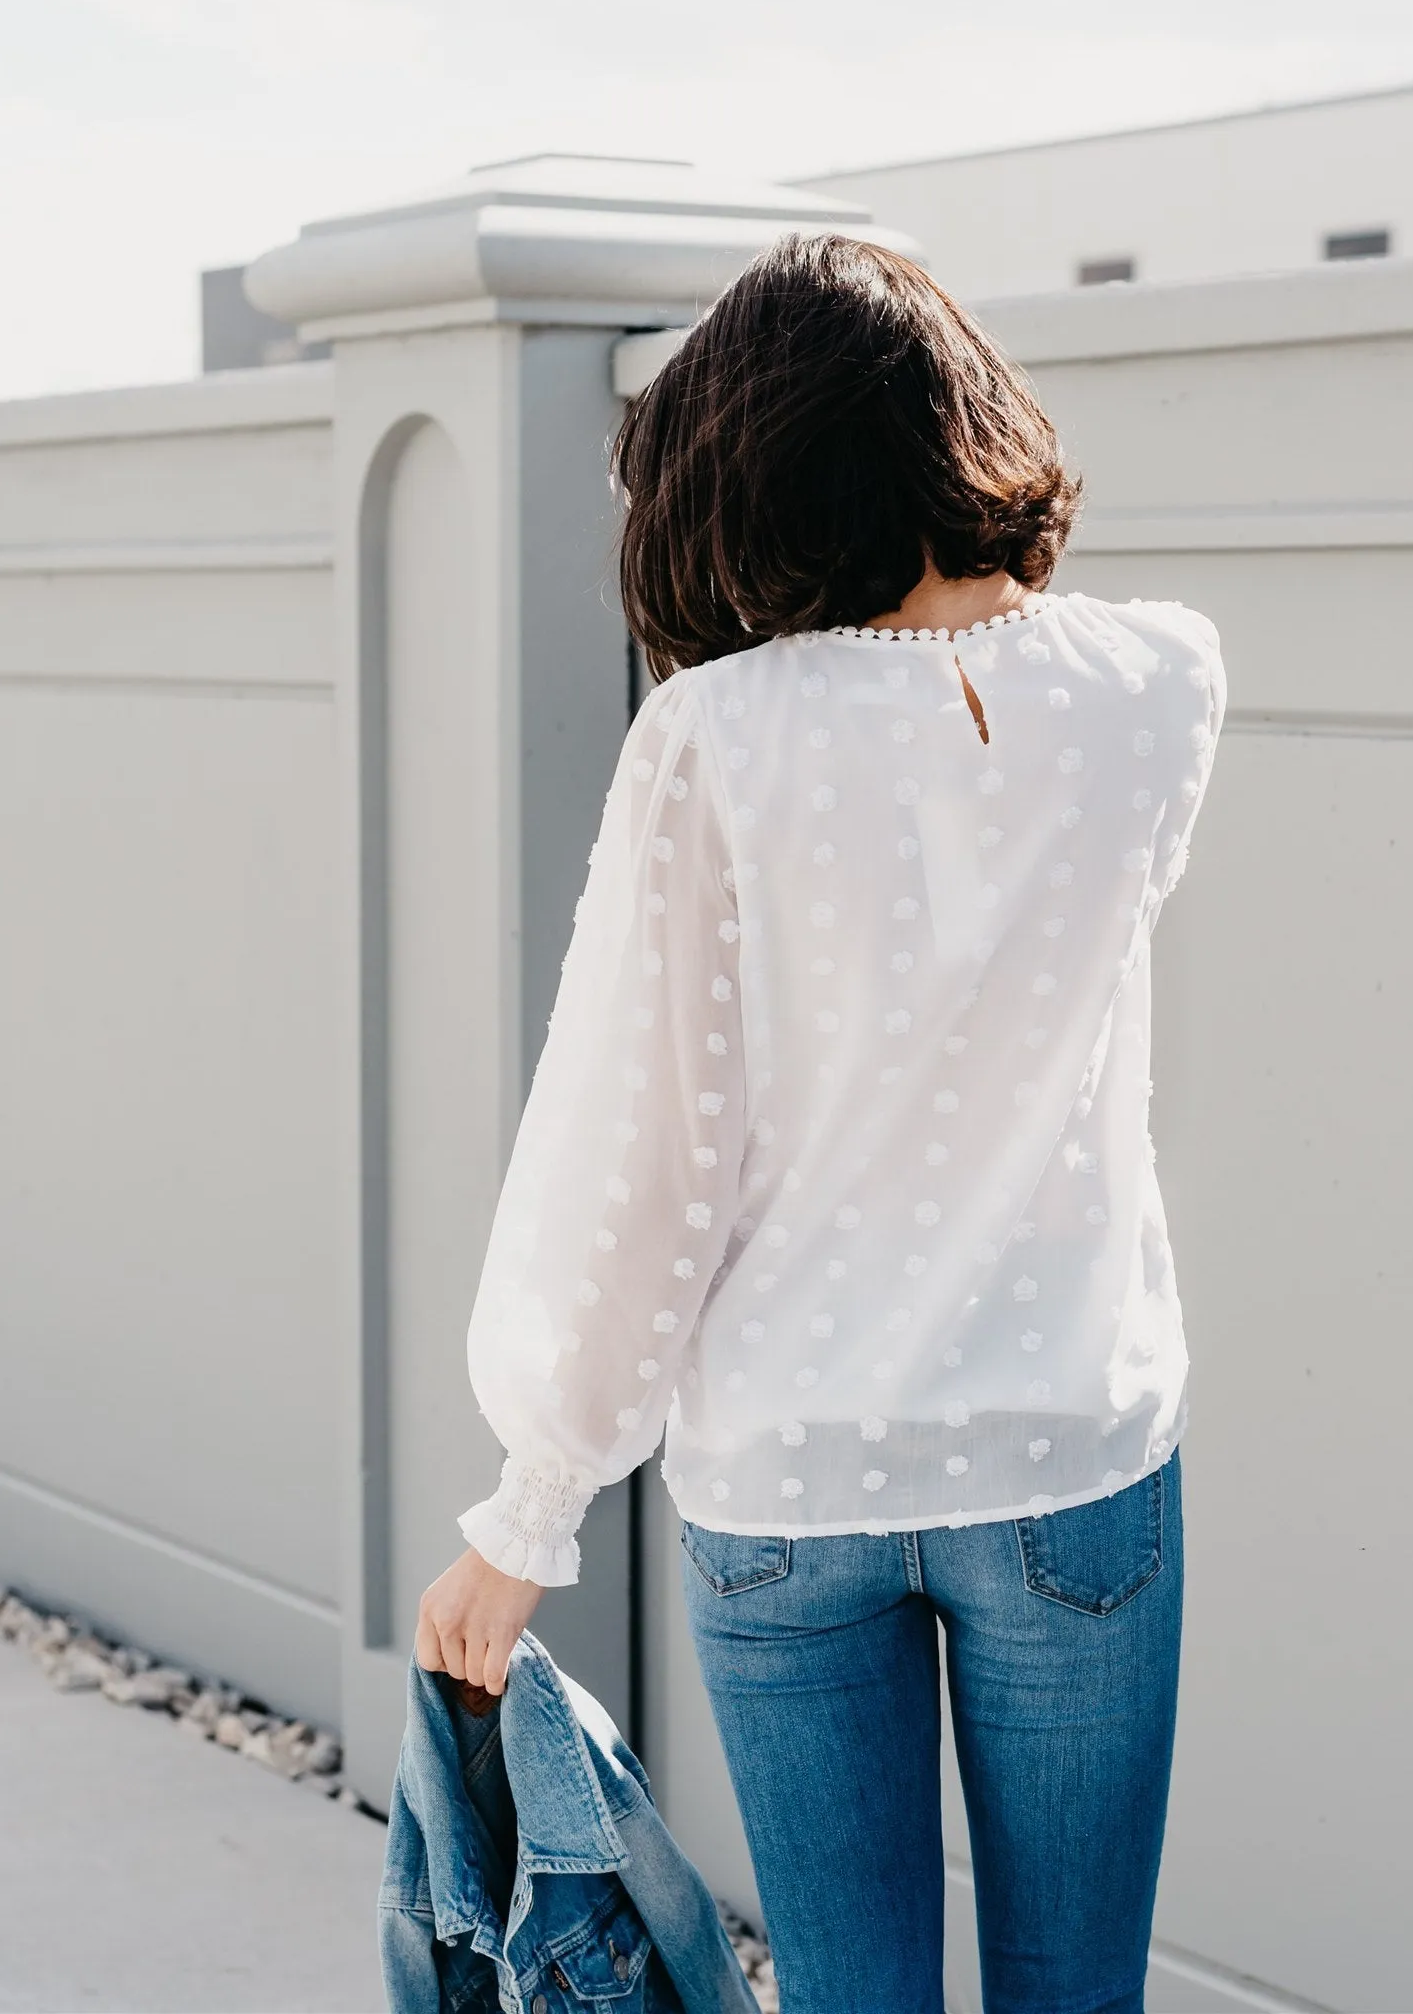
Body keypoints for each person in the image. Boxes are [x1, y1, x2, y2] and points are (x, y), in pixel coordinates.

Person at [416, 231, 1225, 2014]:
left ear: (751, 467)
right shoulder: (1163, 682)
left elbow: (644, 1162)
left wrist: (530, 1506)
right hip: (1071, 1453)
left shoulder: (715, 736)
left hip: (790, 1478)